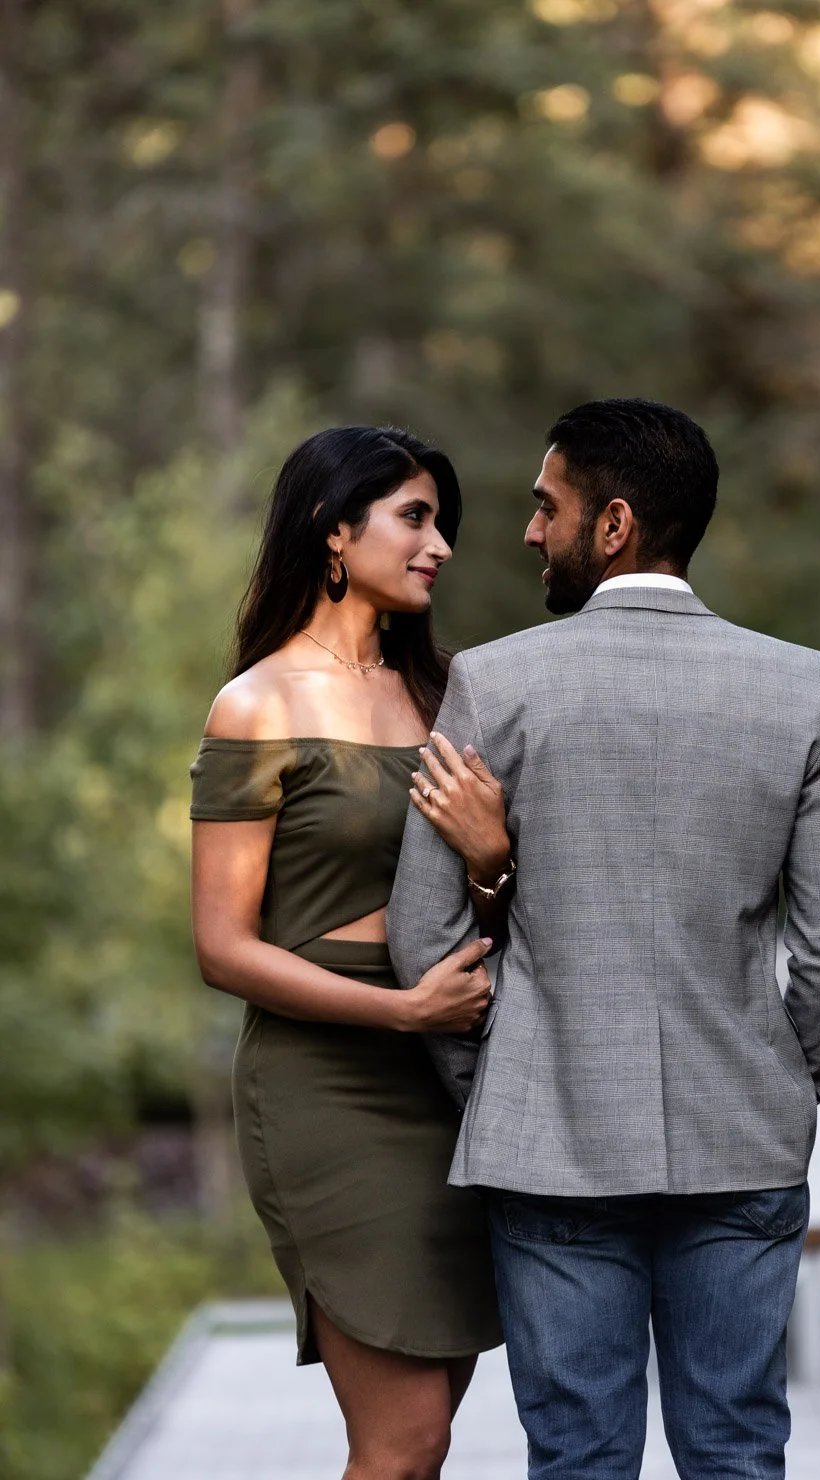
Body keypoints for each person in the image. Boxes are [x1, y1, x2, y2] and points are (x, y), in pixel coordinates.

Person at [387, 397, 820, 1480]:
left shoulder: (495, 683)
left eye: (544, 507)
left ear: (611, 526)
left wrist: (500, 1078)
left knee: (576, 1455)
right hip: (743, 1135)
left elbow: (421, 932)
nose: (527, 531)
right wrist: (785, 1076)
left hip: (551, 1144)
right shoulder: (800, 687)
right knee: (738, 1447)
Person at [188, 426, 506, 1480]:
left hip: (454, 1079)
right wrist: (397, 1011)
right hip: (328, 1084)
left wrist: (491, 857)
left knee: (430, 1440)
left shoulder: (448, 698)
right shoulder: (258, 705)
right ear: (334, 531)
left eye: (440, 521)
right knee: (402, 1441)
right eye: (415, 517)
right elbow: (223, 948)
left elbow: (496, 896)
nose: (441, 545)